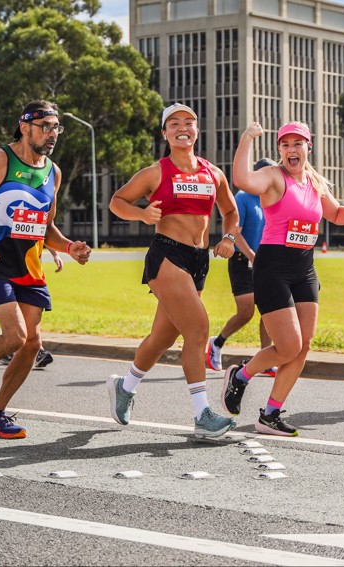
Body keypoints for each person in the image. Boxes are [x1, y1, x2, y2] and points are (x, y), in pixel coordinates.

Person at [0, 100, 90, 439]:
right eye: (46, 127)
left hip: (30, 267)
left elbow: (46, 227)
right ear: (25, 127)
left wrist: (69, 247)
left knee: (31, 344)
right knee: (16, 336)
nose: (52, 134)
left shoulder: (53, 172)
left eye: (56, 128)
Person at [222, 120, 344, 436]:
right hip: (273, 268)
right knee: (288, 346)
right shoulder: (274, 177)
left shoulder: (315, 182)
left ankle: (269, 415)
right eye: (285, 145)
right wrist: (247, 137)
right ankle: (240, 377)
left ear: (307, 148)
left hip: (305, 270)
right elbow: (241, 178)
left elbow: (335, 214)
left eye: (297, 144)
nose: (291, 150)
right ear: (279, 150)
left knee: (302, 348)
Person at [107, 103, 239, 438]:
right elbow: (117, 201)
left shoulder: (213, 173)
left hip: (199, 260)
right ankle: (202, 416)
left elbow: (231, 212)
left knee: (163, 337)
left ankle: (126, 385)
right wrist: (142, 215)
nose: (183, 127)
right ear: (165, 133)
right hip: (167, 255)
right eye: (174, 123)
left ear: (197, 131)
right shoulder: (155, 172)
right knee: (198, 329)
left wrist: (226, 237)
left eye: (190, 122)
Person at [206, 157, 276, 375]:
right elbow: (234, 231)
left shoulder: (273, 199)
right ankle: (217, 343)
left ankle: (266, 359)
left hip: (267, 263)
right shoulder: (243, 198)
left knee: (269, 312)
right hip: (241, 261)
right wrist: (252, 255)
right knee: (246, 312)